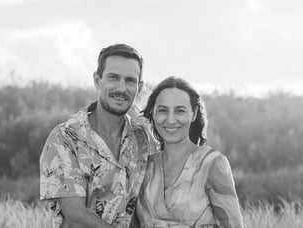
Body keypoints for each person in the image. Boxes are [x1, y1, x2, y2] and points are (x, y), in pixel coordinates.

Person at [40, 44, 151, 228]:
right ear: (97, 80)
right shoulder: (65, 138)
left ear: (139, 88)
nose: (122, 88)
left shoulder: (143, 140)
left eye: (130, 80)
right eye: (113, 77)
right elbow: (76, 218)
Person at [135, 76, 244, 228]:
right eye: (162, 110)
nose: (171, 120)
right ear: (153, 113)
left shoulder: (212, 164)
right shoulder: (144, 166)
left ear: (193, 113)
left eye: (180, 111)